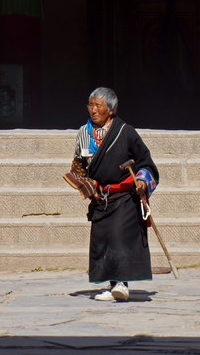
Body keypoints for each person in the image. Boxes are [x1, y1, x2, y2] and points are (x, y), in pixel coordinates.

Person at [72, 86, 159, 302]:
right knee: (105, 241)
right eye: (90, 104)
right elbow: (78, 166)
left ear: (110, 110)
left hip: (124, 196)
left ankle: (122, 284)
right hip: (101, 197)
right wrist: (83, 183)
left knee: (120, 237)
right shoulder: (84, 133)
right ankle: (112, 285)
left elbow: (146, 163)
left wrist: (142, 181)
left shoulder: (126, 132)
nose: (92, 109)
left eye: (98, 105)